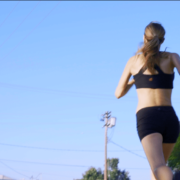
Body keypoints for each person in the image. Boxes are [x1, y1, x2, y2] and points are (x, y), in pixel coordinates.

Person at [115, 21, 180, 180]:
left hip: (148, 117)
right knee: (158, 167)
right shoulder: (172, 57)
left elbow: (118, 93)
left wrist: (134, 80)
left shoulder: (134, 61)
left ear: (145, 38)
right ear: (162, 40)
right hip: (170, 117)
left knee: (158, 167)